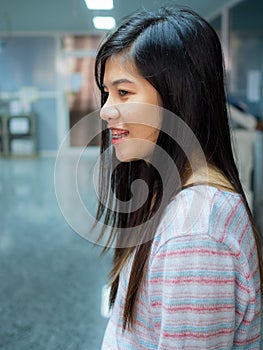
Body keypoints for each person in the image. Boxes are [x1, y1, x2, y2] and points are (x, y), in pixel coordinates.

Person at [94, 6, 262, 349]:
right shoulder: (171, 191)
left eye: (123, 92)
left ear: (177, 98)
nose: (105, 110)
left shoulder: (195, 233)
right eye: (107, 92)